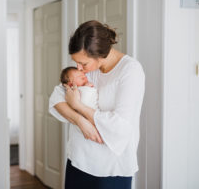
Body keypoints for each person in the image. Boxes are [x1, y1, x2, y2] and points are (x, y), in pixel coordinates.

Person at [49, 20, 145, 189]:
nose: (78, 68)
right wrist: (81, 122)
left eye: (83, 63)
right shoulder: (88, 71)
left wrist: (79, 107)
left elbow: (120, 126)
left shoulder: (130, 71)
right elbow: (57, 98)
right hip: (78, 160)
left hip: (111, 168)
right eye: (76, 62)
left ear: (100, 54)